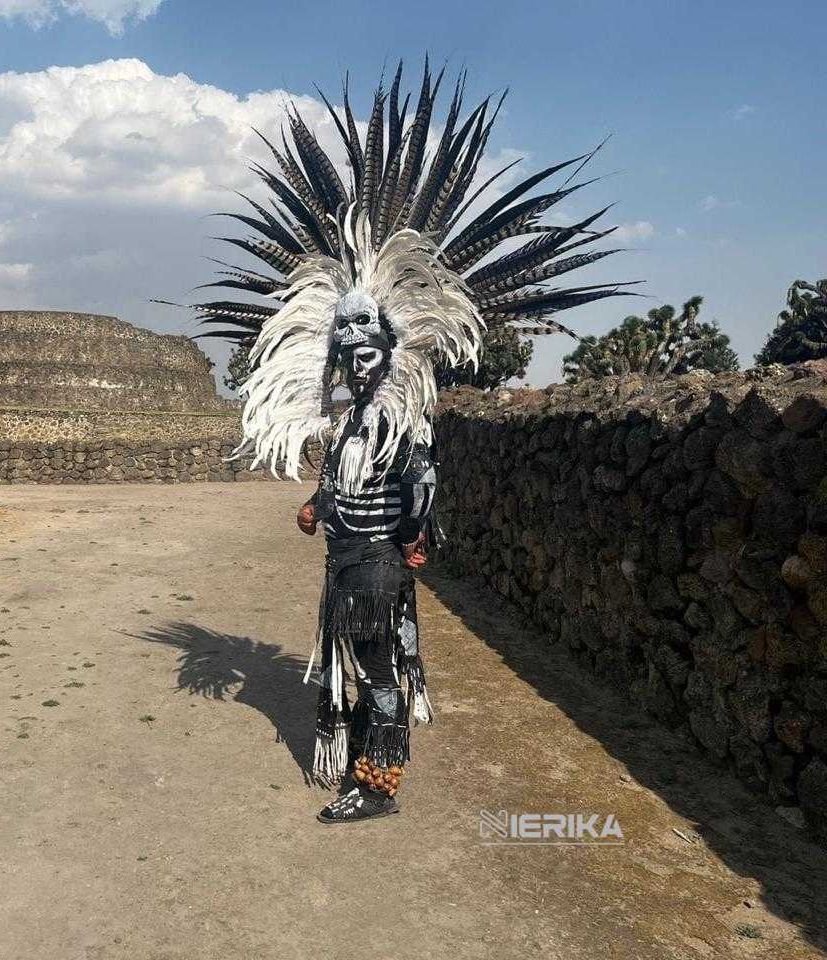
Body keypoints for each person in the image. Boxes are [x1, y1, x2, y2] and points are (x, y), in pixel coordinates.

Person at [185, 62, 629, 822]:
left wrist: (420, 532)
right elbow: (348, 475)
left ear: (395, 342)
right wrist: (316, 504)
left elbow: (418, 476)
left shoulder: (400, 420)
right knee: (364, 666)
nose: (357, 344)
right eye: (346, 333)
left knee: (381, 670)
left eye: (369, 333)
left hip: (377, 565)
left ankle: (379, 785)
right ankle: (366, 750)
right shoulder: (356, 420)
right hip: (347, 561)